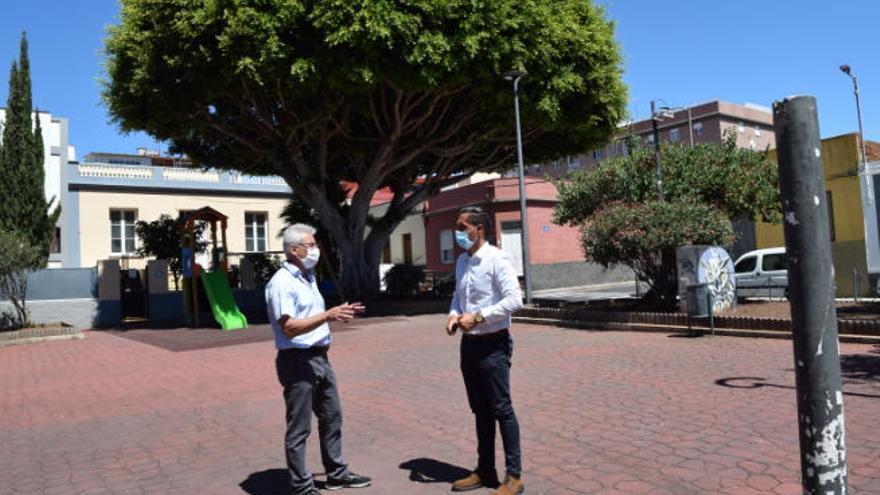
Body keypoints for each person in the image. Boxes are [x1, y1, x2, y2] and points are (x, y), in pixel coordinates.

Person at [266, 223, 371, 495]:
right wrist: (328, 315)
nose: (315, 250)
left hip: (321, 358)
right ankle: (301, 486)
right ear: (293, 250)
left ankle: (336, 473)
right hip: (297, 361)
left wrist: (337, 314)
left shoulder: (307, 277)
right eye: (309, 245)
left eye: (315, 244)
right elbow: (289, 326)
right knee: (299, 427)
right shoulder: (282, 282)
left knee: (332, 417)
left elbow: (314, 318)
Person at [446, 207, 525, 495]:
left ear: (479, 229)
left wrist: (478, 317)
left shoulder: (497, 259)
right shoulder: (462, 262)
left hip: (494, 344)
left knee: (501, 409)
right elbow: (458, 296)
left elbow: (515, 299)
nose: (457, 233)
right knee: (480, 410)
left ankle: (514, 476)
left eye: (461, 227)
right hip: (469, 345)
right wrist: (454, 315)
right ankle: (485, 469)